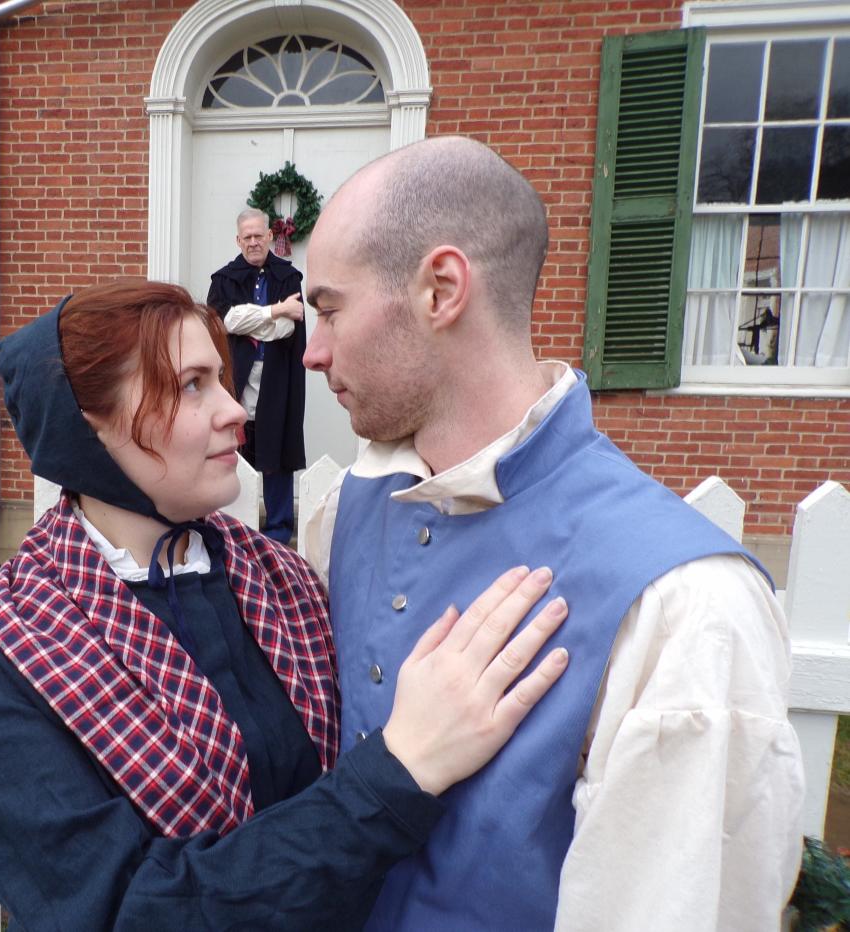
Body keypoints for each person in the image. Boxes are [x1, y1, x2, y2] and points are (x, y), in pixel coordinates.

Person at [0, 281, 571, 931]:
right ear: (85, 426)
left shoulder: (285, 579)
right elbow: (123, 911)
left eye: (221, 379)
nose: (236, 411)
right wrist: (399, 771)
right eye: (190, 384)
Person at [301, 135, 805, 931]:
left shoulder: (688, 604)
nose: (312, 351)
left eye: (329, 307)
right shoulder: (345, 512)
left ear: (440, 289)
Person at [207, 207, 306, 543]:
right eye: (246, 237)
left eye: (258, 235)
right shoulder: (224, 280)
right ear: (238, 240)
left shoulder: (288, 278)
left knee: (276, 452)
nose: (252, 242)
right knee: (236, 450)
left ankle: (278, 532)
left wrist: (254, 320)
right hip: (237, 377)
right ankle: (235, 525)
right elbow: (227, 322)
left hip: (277, 375)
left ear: (269, 237)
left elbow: (285, 331)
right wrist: (275, 310)